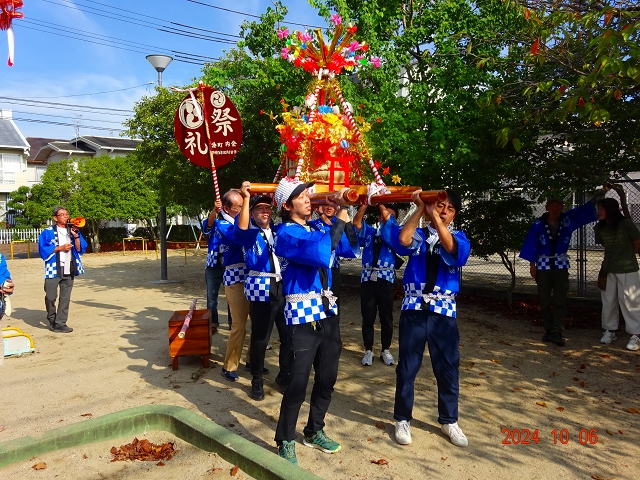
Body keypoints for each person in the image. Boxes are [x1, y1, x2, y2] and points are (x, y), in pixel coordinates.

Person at [273, 177, 356, 465]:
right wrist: (340, 216)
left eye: (308, 193)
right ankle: (285, 439)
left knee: (328, 377)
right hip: (302, 314)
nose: (309, 198)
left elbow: (346, 248)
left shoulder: (317, 226)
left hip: (328, 311)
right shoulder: (285, 233)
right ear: (286, 205)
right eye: (301, 195)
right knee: (297, 382)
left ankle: (314, 430)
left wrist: (341, 213)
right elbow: (321, 252)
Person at [381, 189, 471, 447]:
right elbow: (403, 239)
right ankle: (402, 418)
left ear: (454, 215)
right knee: (407, 366)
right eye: (440, 205)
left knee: (447, 367)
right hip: (415, 310)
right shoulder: (419, 234)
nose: (443, 211)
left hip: (443, 313)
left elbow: (452, 249)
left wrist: (437, 219)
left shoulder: (459, 237)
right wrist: (420, 207)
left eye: (450, 209)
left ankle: (449, 420)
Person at [519, 194, 602, 346]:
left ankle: (557, 331)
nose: (555, 209)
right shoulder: (538, 224)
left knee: (560, 300)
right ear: (546, 208)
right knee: (544, 300)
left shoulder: (567, 219)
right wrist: (532, 264)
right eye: (552, 206)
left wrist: (599, 195)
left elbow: (582, 211)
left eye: (559, 206)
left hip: (561, 264)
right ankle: (548, 329)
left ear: (562, 207)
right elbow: (532, 243)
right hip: (543, 264)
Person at [234, 181, 290, 400]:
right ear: (253, 213)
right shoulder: (250, 234)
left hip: (282, 287)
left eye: (267, 208)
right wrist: (247, 198)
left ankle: (284, 375)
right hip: (260, 288)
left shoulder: (279, 231)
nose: (264, 212)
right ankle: (256, 378)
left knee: (288, 336)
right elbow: (242, 228)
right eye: (260, 209)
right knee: (261, 338)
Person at [353, 202, 400, 366]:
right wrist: (365, 205)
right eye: (383, 213)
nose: (386, 216)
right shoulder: (370, 232)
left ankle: (385, 349)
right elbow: (357, 223)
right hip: (367, 277)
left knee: (386, 316)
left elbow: (390, 224)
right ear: (378, 216)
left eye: (390, 215)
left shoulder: (396, 234)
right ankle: (368, 350)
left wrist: (381, 204)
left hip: (385, 278)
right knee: (368, 315)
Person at [215, 190, 253, 381]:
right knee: (239, 324)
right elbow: (240, 238)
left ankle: (253, 360)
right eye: (238, 207)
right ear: (227, 208)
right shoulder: (222, 224)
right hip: (235, 278)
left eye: (243, 205)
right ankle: (229, 366)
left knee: (259, 324)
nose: (241, 209)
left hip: (253, 277)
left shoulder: (247, 219)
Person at [594, 197, 640, 350]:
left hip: (627, 268)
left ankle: (635, 335)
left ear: (611, 209)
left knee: (629, 300)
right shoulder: (599, 228)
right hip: (608, 269)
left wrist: (625, 256)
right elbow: (605, 245)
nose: (599, 211)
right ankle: (610, 330)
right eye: (598, 208)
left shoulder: (626, 224)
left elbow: (637, 243)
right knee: (608, 300)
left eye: (602, 208)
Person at [38, 207, 87, 333]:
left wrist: (76, 236)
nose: (66, 216)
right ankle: (52, 319)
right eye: (62, 214)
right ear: (55, 218)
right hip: (53, 269)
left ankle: (61, 323)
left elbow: (79, 248)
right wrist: (60, 248)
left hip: (69, 267)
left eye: (67, 214)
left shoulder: (72, 230)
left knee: (65, 297)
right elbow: (43, 249)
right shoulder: (47, 232)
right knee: (50, 296)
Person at [201, 197, 233, 331]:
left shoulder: (235, 224)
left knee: (232, 296)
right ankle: (213, 323)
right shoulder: (215, 223)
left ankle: (233, 323)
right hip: (213, 265)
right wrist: (214, 209)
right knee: (211, 296)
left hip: (230, 265)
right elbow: (207, 226)